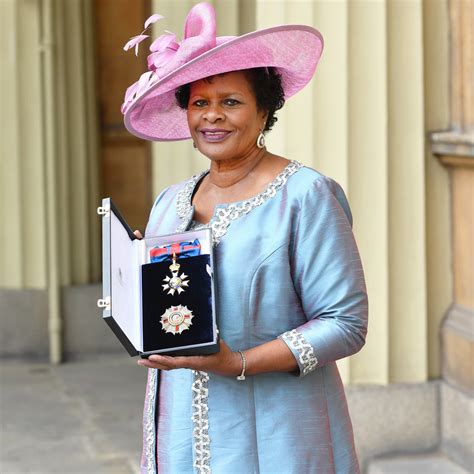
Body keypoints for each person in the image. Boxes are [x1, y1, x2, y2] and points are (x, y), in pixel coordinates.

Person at [122, 3, 368, 473]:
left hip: (279, 433)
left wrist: (237, 361)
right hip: (178, 432)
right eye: (199, 103)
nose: (212, 117)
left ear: (265, 111)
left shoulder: (305, 195)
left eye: (230, 102)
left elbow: (345, 323)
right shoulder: (169, 202)